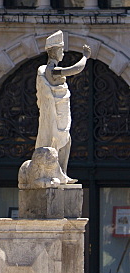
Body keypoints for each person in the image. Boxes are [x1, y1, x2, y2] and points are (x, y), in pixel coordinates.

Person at [35, 31, 91, 182]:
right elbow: (75, 69)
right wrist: (85, 56)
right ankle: (56, 172)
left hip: (61, 113)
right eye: (61, 50)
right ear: (54, 52)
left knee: (66, 142)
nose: (63, 54)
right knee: (59, 143)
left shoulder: (50, 70)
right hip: (56, 115)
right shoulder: (51, 70)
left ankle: (62, 172)